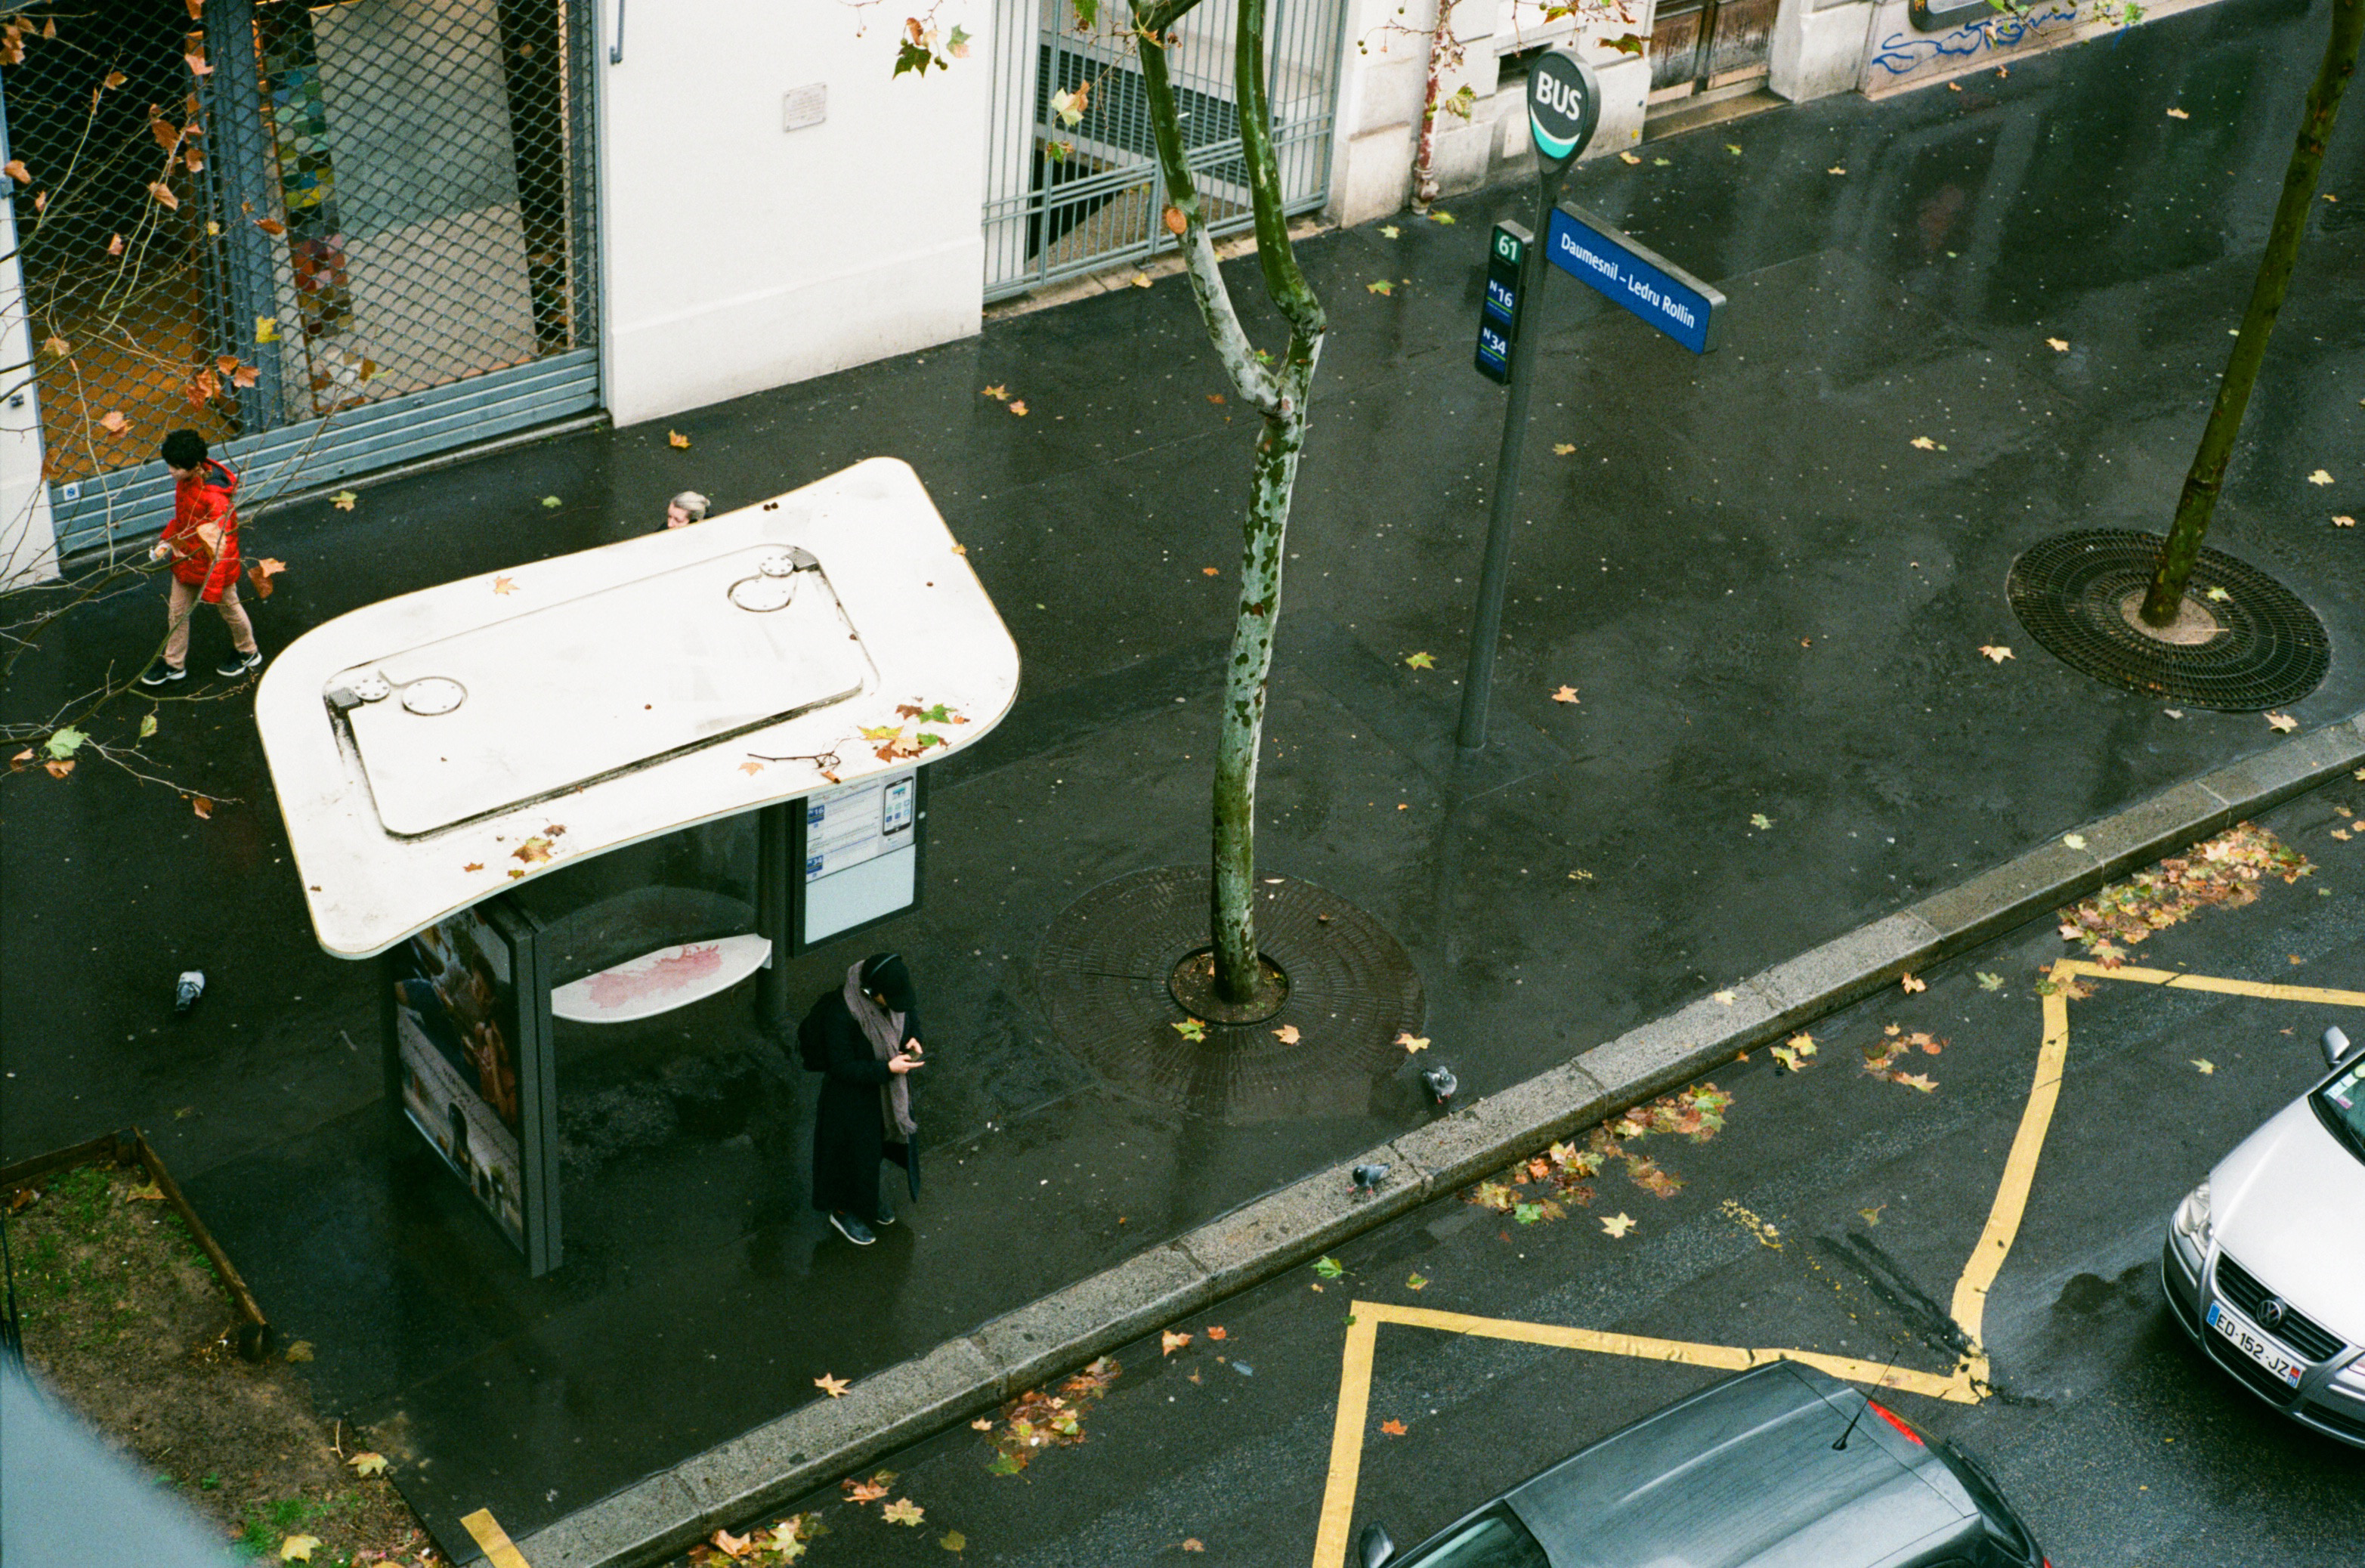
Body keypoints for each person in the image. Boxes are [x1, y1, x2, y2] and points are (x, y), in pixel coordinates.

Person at [803, 952, 925, 1246]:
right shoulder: (841, 1012)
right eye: (888, 999)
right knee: (850, 1157)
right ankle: (843, 1211)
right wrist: (887, 1069)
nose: (894, 1006)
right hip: (849, 1102)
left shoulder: (893, 1000)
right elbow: (841, 1067)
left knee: (872, 1153)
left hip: (880, 1096)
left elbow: (910, 1021)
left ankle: (867, 1202)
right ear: (871, 992)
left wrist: (916, 1039)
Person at [141, 429, 261, 685]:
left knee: (229, 608)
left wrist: (214, 585)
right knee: (177, 612)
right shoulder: (185, 483)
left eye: (175, 467)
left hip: (213, 565)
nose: (170, 471)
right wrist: (166, 540)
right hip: (187, 558)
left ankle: (248, 651)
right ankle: (174, 664)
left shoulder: (216, 499)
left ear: (193, 466)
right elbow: (184, 520)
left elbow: (223, 545)